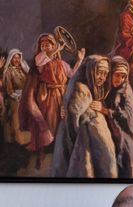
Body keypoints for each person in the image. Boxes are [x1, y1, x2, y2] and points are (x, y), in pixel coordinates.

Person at [19, 33, 85, 168]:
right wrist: (56, 49)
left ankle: (59, 150)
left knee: (62, 121)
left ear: (52, 45)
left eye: (47, 45)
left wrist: (79, 60)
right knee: (49, 121)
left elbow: (72, 75)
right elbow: (41, 61)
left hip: (61, 94)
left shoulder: (61, 63)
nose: (44, 47)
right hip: (46, 95)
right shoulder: (40, 60)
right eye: (42, 45)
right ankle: (44, 150)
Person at [51, 55, 118, 178]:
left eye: (105, 74)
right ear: (90, 71)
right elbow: (72, 120)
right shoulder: (81, 89)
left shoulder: (92, 89)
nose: (102, 78)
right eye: (99, 73)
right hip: (83, 141)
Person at [2, 49, 31, 147]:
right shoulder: (8, 72)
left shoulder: (23, 69)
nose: (16, 59)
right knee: (17, 110)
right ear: (10, 59)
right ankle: (20, 140)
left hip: (25, 95)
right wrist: (19, 96)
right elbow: (9, 91)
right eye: (14, 57)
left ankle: (31, 139)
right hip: (14, 97)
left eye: (18, 57)